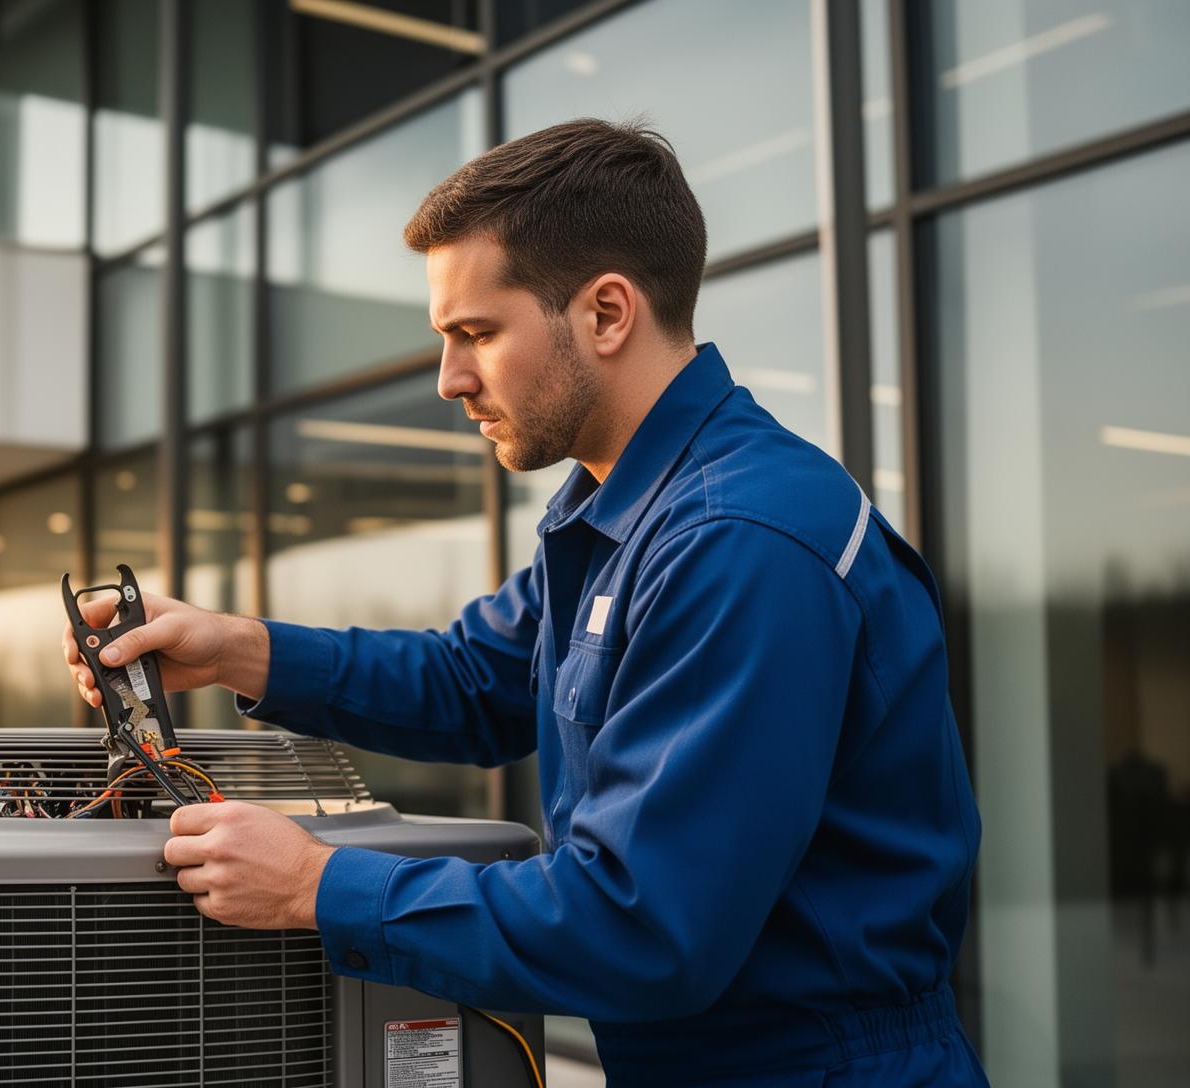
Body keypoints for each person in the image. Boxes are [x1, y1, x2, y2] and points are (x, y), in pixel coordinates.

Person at [63, 119, 987, 1086]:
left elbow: (642, 925)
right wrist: (233, 648)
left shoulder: (735, 543)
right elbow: (473, 681)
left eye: (477, 334)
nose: (450, 379)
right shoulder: (627, 511)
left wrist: (317, 885)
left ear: (607, 314)